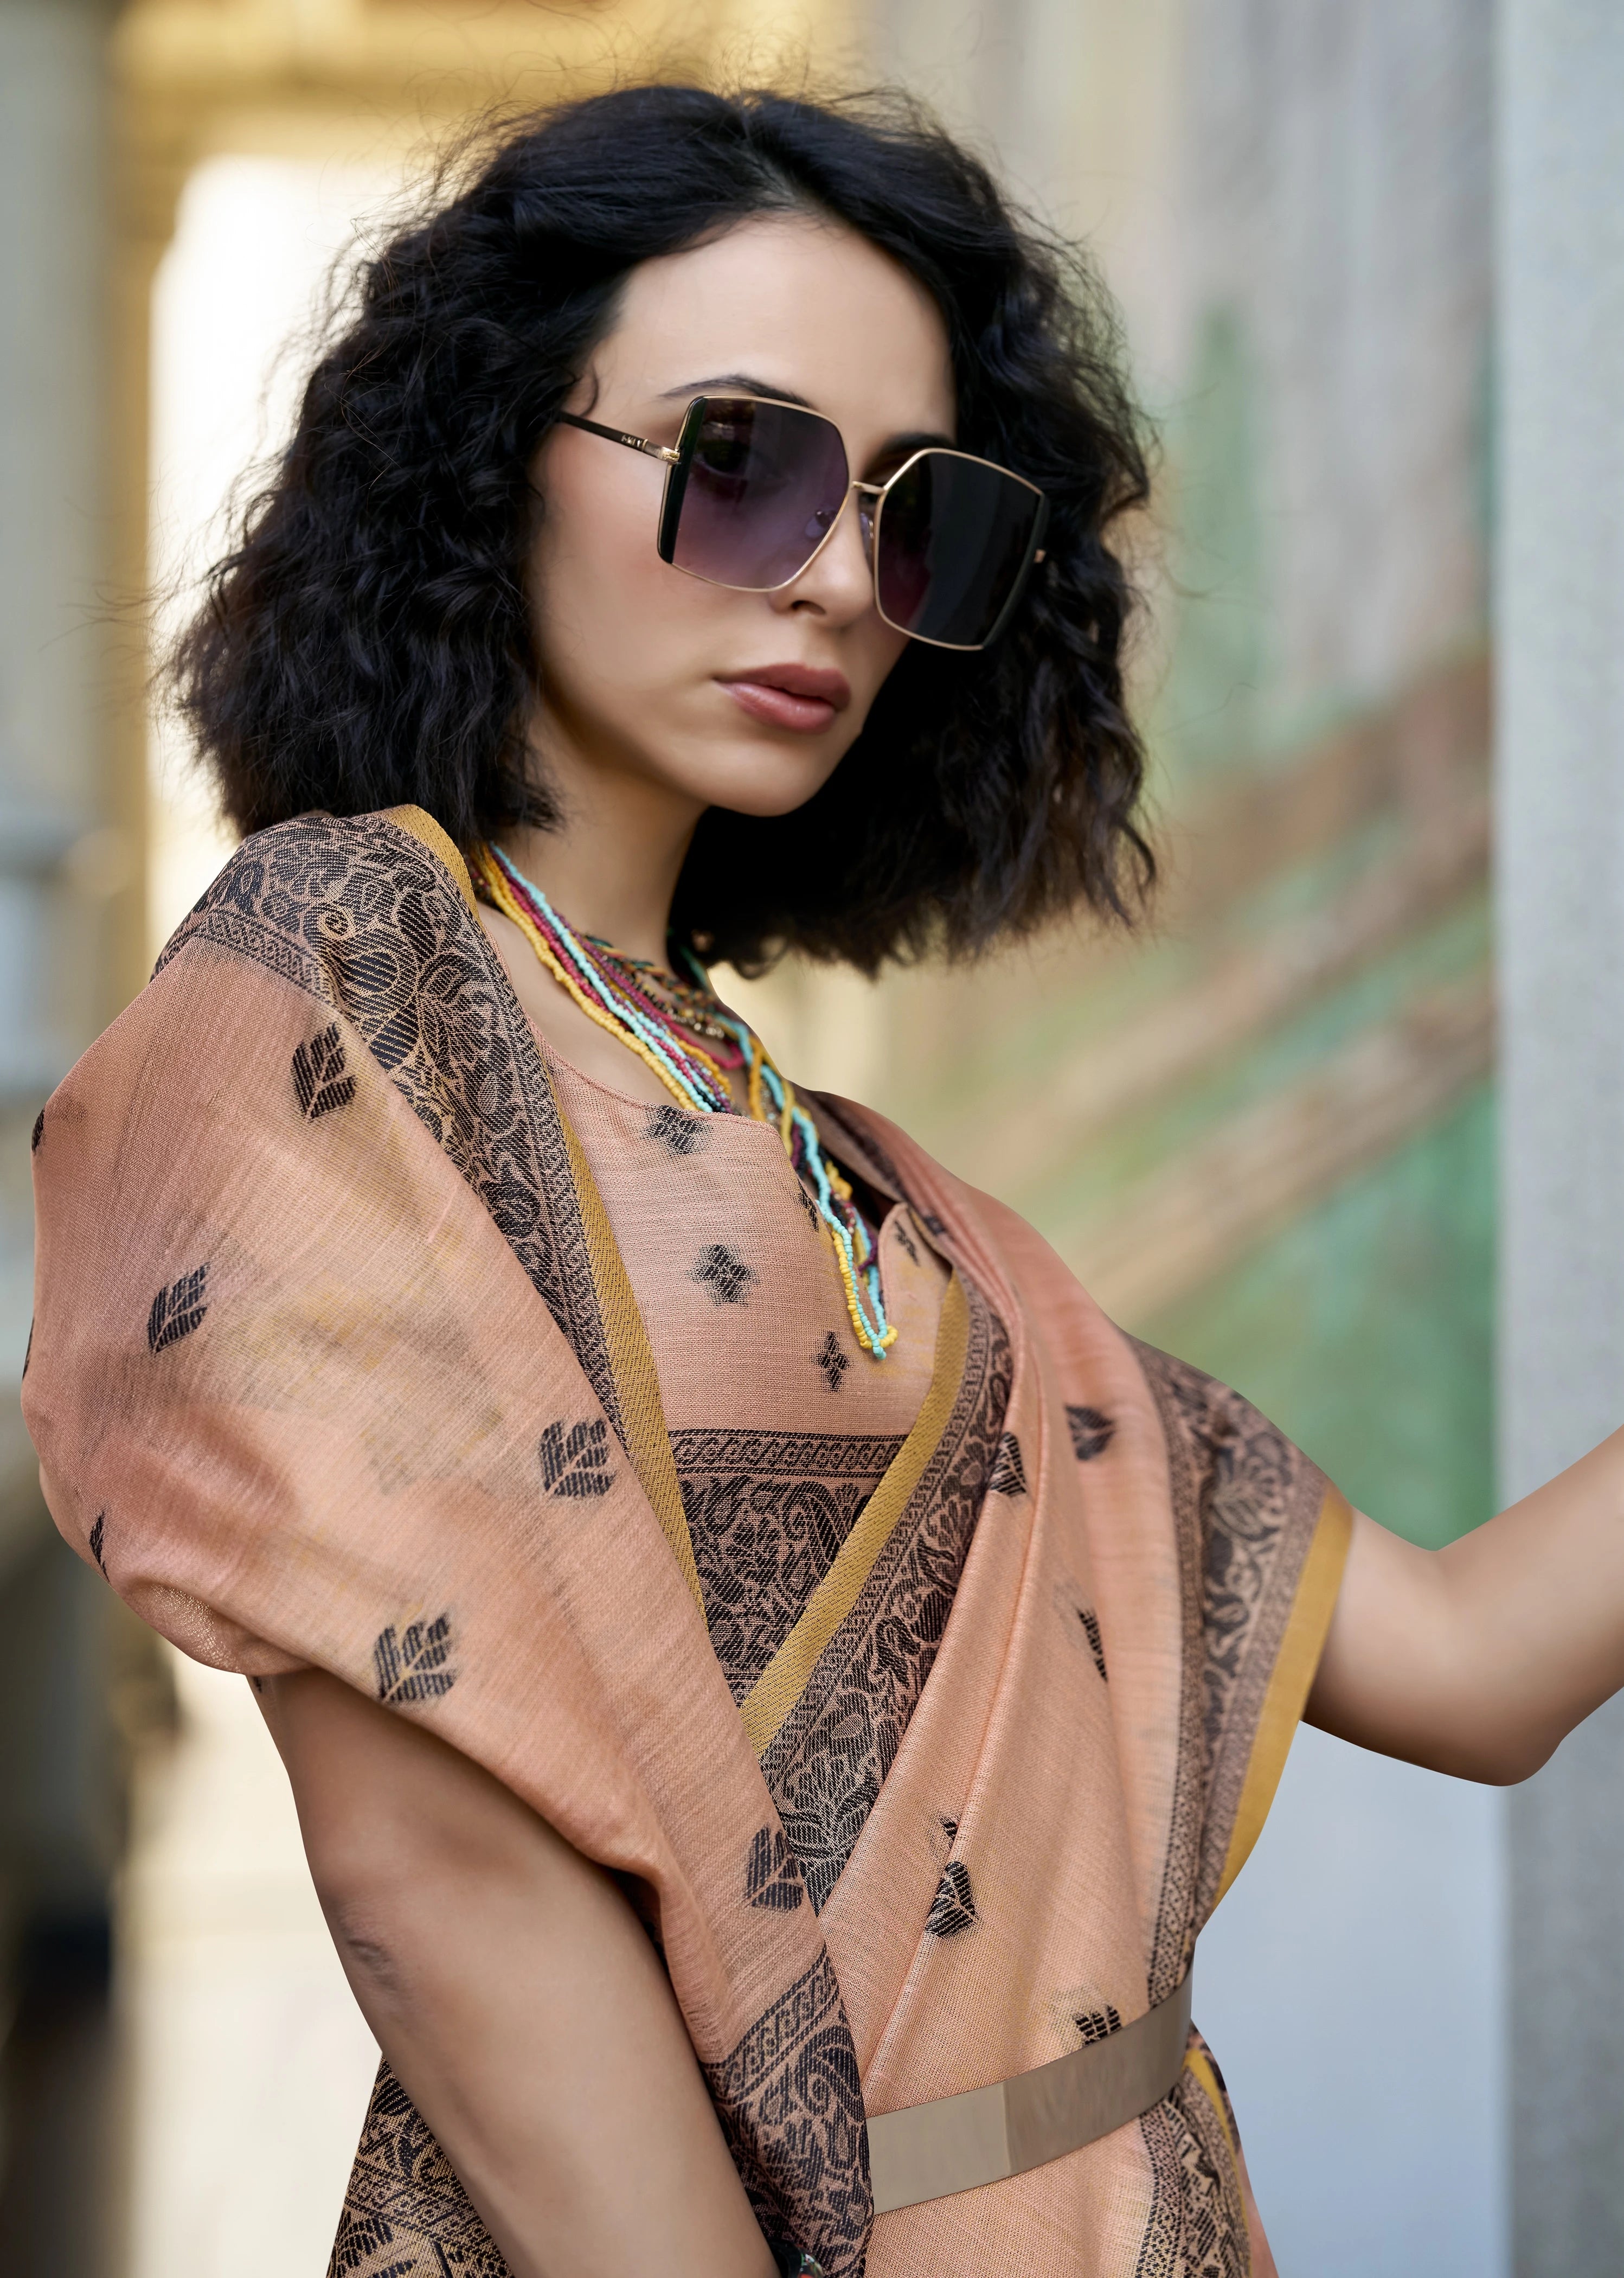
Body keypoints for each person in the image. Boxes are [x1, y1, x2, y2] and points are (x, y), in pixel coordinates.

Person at [21, 82, 1624, 2278]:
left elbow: (1467, 1662)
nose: (835, 584)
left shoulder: (846, 1178)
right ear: (493, 459)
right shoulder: (340, 981)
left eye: (917, 519)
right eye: (739, 459)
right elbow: (440, 1881)